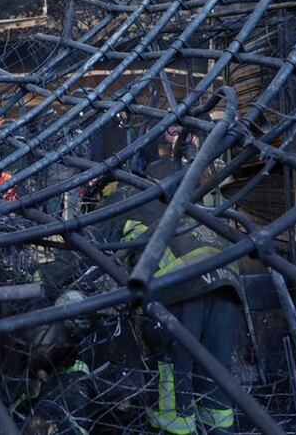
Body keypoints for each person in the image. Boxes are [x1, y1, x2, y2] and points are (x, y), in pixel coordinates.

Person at [99, 134, 243, 434]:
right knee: (215, 378)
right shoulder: (169, 186)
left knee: (174, 385)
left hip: (179, 286)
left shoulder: (116, 201)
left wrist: (46, 281)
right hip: (226, 276)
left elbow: (91, 253)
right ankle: (220, 429)